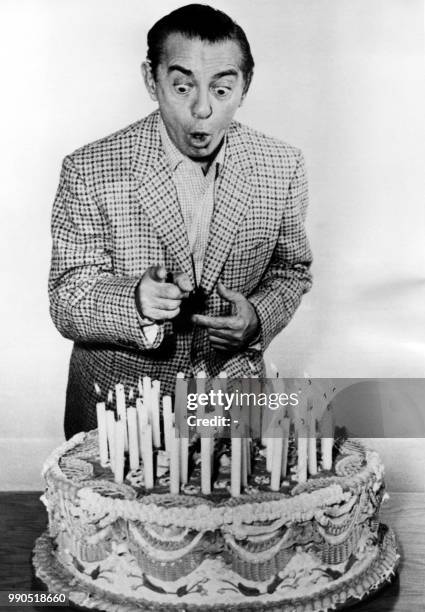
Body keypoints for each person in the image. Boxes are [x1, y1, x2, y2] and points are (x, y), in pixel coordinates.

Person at [49, 4, 313, 438]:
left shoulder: (283, 166)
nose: (203, 109)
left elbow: (291, 270)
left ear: (245, 86)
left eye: (222, 90)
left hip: (233, 402)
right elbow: (66, 297)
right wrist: (135, 301)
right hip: (119, 409)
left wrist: (258, 318)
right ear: (151, 80)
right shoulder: (88, 167)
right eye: (182, 86)